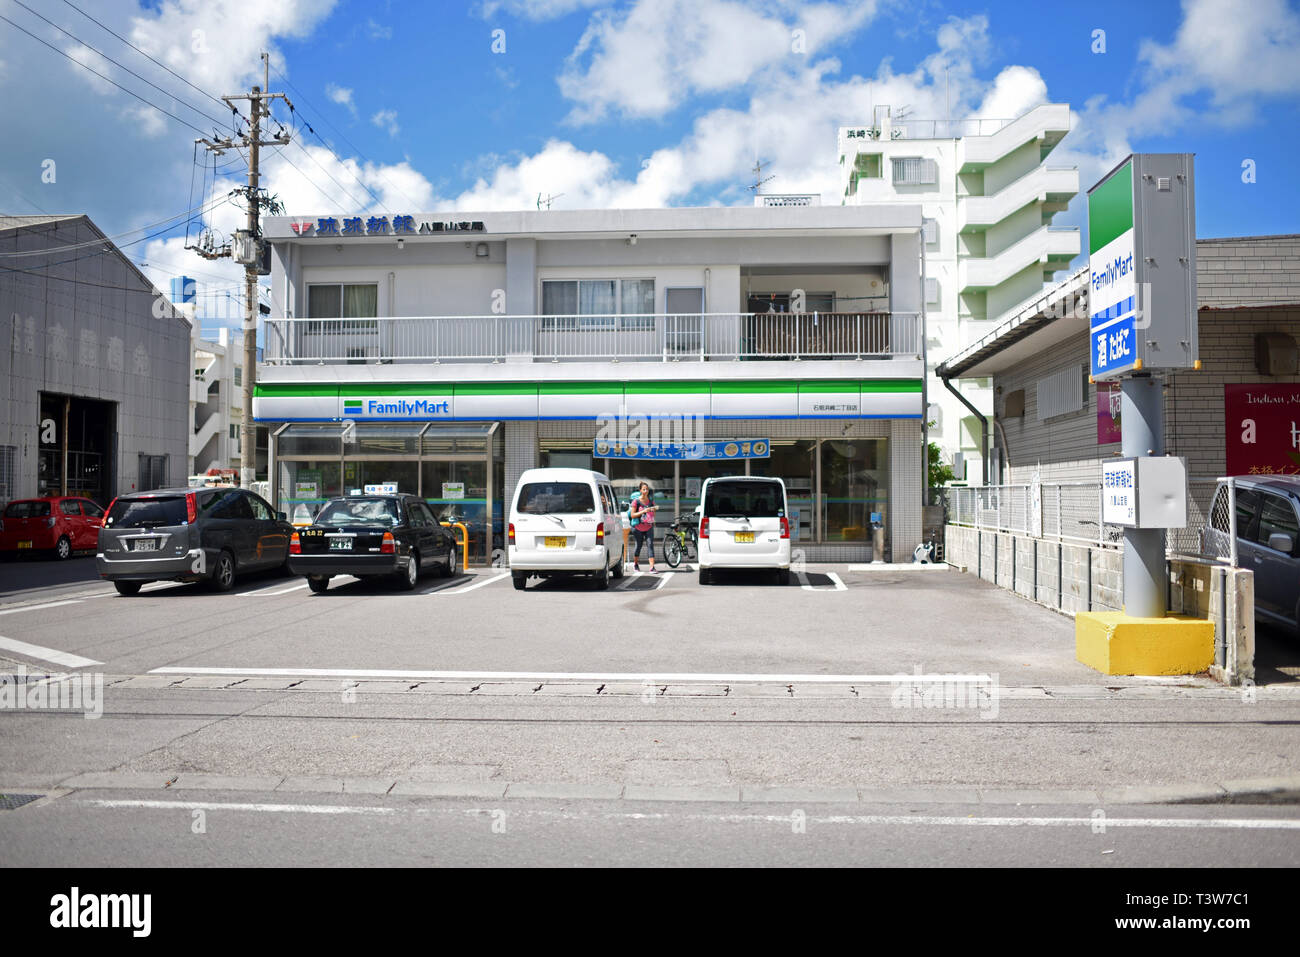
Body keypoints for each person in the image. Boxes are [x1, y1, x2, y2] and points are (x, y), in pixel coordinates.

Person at [629, 481, 657, 573]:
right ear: (640, 490)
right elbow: (633, 515)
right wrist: (643, 511)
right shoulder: (636, 502)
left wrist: (652, 510)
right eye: (644, 489)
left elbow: (653, 514)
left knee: (650, 545)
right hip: (638, 528)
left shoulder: (651, 501)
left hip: (648, 526)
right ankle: (636, 564)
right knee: (639, 545)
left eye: (647, 489)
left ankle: (652, 567)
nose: (646, 491)